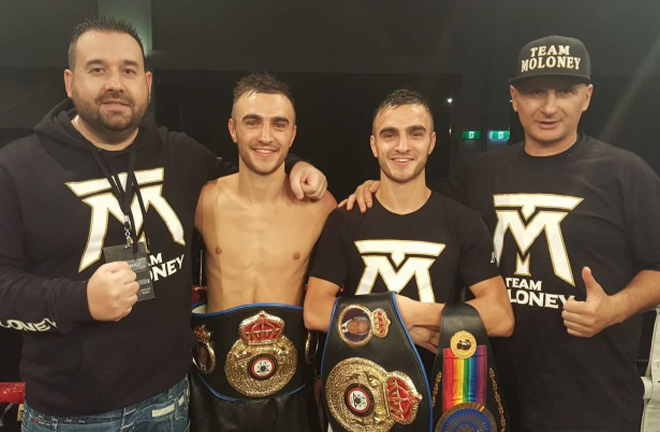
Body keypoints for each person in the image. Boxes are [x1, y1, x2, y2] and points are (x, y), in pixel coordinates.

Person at [0, 17, 326, 432]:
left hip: (170, 405)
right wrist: (79, 300)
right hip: (69, 414)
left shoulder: (179, 155)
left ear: (147, 83)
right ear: (69, 80)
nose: (115, 83)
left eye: (128, 70)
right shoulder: (17, 167)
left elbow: (252, 170)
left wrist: (301, 167)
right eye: (97, 69)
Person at [346, 35, 660, 432]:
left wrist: (616, 307)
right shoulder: (480, 172)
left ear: (587, 96)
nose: (548, 106)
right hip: (486, 393)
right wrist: (369, 185)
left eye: (565, 90)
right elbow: (410, 202)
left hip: (593, 399)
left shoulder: (626, 174)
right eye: (534, 92)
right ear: (514, 98)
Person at [304, 89, 514, 431]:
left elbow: (501, 316)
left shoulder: (463, 222)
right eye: (390, 135)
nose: (402, 146)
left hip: (440, 401)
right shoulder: (347, 218)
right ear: (374, 145)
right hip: (359, 398)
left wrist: (411, 315)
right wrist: (403, 330)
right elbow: (314, 310)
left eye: (415, 133)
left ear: (431, 142)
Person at [190, 73, 336, 432]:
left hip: (291, 393)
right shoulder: (203, 200)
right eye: (252, 122)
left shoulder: (321, 207)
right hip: (215, 389)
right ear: (233, 129)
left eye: (278, 124)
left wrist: (372, 186)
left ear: (293, 134)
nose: (266, 136)